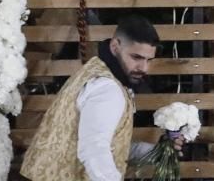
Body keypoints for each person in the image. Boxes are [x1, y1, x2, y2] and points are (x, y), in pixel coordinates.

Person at [20, 13, 161, 181]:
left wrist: (160, 152)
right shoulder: (108, 88)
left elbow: (109, 145)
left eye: (148, 60)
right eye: (136, 57)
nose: (144, 68)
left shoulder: (95, 71)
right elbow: (94, 149)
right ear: (115, 46)